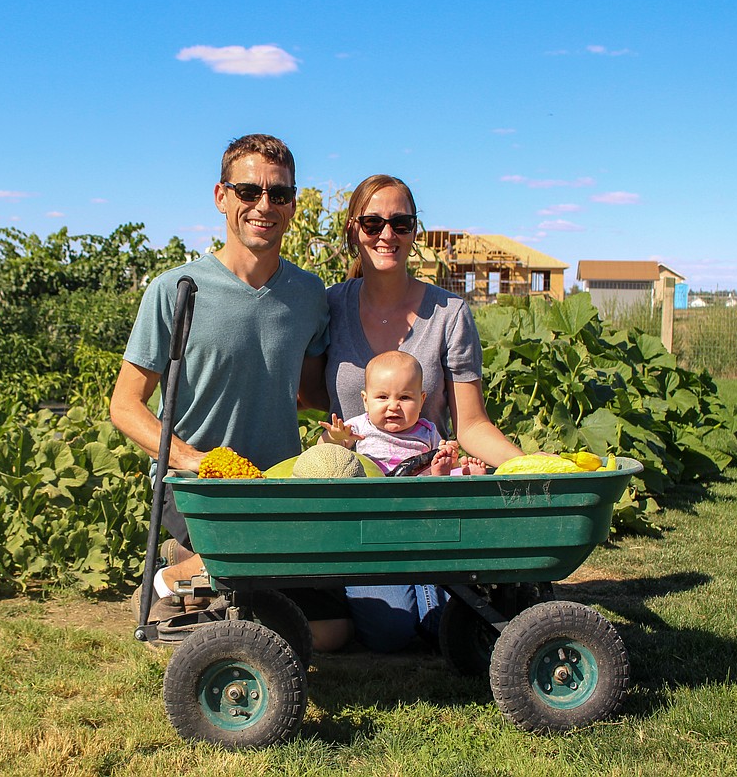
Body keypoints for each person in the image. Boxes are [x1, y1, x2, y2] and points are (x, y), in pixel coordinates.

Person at [109, 134, 352, 651]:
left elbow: (309, 394)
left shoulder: (309, 295)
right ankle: (194, 576)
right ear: (222, 196)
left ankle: (196, 575)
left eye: (279, 194)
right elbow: (124, 405)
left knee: (333, 632)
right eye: (248, 191)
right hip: (195, 485)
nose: (264, 206)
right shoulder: (176, 290)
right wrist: (189, 458)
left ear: (292, 203)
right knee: (271, 594)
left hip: (275, 486)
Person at [324, 174, 526, 653]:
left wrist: (527, 466)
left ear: (415, 231)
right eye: (373, 222)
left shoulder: (449, 312)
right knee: (390, 633)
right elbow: (303, 391)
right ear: (354, 229)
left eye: (400, 222)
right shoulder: (329, 305)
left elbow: (471, 423)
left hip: (430, 500)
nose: (386, 234)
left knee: (440, 622)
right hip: (358, 509)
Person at [319, 350, 484, 476]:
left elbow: (443, 456)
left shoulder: (428, 431)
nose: (393, 406)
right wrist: (335, 437)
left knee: (443, 471)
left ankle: (462, 475)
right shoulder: (358, 427)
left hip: (418, 489)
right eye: (382, 397)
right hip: (373, 487)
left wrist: (449, 458)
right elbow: (323, 454)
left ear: (421, 401)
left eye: (404, 398)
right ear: (366, 401)